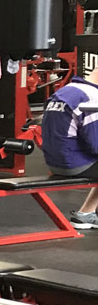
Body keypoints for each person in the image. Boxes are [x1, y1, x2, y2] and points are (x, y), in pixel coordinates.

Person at [40, 59, 98, 229]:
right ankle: (86, 214)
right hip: (74, 165)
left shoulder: (65, 91)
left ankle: (86, 214)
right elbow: (95, 145)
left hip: (54, 163)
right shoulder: (92, 97)